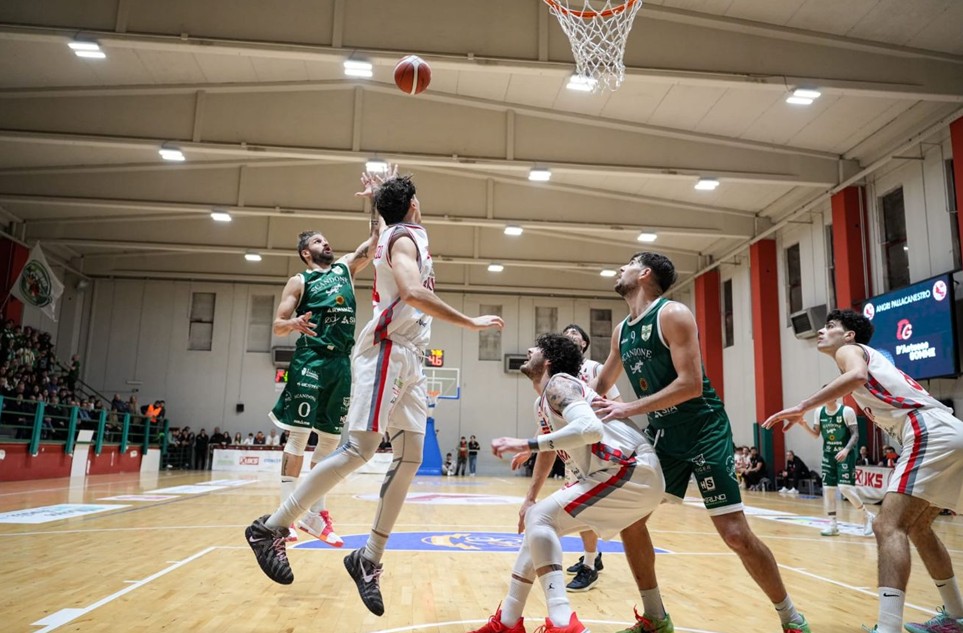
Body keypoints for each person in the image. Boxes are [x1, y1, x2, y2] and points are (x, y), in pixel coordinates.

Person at [244, 167, 504, 616]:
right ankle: (270, 527)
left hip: (411, 356)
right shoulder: (402, 239)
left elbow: (380, 233)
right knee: (359, 449)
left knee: (411, 456)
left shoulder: (405, 233)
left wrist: (378, 198)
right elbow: (412, 291)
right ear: (414, 204)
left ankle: (368, 558)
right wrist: (470, 322)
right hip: (387, 348)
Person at [593, 251, 810, 633]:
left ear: (644, 274)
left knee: (735, 534)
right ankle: (655, 618)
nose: (620, 267)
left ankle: (791, 618)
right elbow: (601, 387)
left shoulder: (672, 314)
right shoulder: (622, 331)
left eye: (628, 263)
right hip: (663, 435)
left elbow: (691, 385)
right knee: (631, 521)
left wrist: (627, 408)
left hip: (703, 429)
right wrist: (568, 410)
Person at [763, 309, 963, 633]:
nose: (822, 331)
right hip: (949, 429)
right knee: (919, 527)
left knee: (887, 525)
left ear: (849, 335)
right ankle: (956, 614)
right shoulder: (868, 360)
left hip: (928, 430)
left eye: (830, 326)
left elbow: (856, 376)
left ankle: (888, 627)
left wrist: (803, 406)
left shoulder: (849, 351)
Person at [472, 333, 664, 633]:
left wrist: (527, 443)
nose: (528, 350)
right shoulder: (543, 400)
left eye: (536, 348)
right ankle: (508, 622)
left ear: (548, 360)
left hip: (631, 468)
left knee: (541, 518)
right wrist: (530, 497)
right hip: (617, 473)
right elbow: (553, 448)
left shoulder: (559, 384)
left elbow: (590, 429)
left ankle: (564, 624)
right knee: (535, 528)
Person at [264, 166, 386, 547]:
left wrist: (376, 200)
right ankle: (285, 518)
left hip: (340, 363)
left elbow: (375, 241)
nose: (326, 243)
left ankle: (315, 515)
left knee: (331, 442)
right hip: (310, 361)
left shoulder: (345, 268)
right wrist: (293, 323)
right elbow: (277, 325)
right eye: (319, 240)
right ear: (306, 252)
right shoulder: (299, 281)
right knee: (299, 438)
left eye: (327, 239)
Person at [559, 322, 624, 592]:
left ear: (584, 343)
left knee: (586, 505)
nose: (570, 335)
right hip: (574, 449)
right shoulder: (561, 377)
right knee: (582, 506)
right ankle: (592, 556)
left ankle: (589, 564)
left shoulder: (595, 368)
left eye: (575, 333)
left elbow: (618, 404)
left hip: (598, 448)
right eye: (566, 334)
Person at [795, 395, 874, 536]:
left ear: (835, 397)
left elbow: (855, 435)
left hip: (845, 455)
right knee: (828, 490)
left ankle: (867, 515)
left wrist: (846, 450)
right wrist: (804, 425)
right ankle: (832, 525)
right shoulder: (819, 412)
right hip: (828, 455)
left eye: (829, 394)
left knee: (844, 488)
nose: (825, 397)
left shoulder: (847, 411)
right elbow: (815, 435)